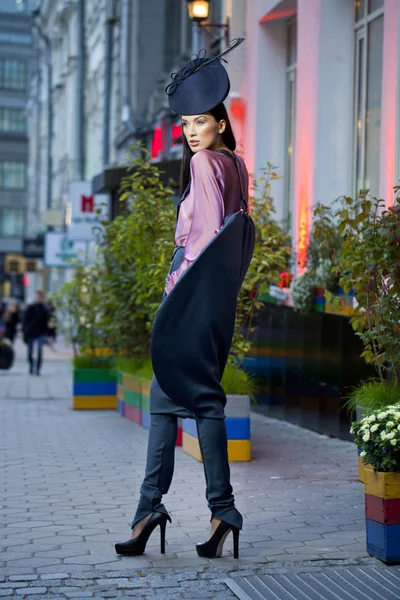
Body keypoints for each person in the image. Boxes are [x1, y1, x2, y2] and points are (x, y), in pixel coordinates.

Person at [114, 38, 255, 560]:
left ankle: (170, 509)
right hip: (215, 297)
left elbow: (213, 232)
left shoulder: (203, 167)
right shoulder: (235, 166)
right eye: (187, 124)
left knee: (199, 401)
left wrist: (181, 291)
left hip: (192, 292)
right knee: (178, 398)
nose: (193, 132)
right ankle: (207, 511)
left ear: (219, 120)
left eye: (202, 121)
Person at [23, 291, 49, 376]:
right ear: (35, 298)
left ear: (42, 298)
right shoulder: (30, 308)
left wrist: (47, 334)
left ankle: (38, 369)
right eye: (37, 297)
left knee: (39, 350)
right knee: (30, 352)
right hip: (31, 332)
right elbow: (25, 320)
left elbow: (46, 322)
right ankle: (31, 365)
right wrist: (24, 331)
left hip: (40, 333)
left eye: (39, 297)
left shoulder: (44, 309)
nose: (38, 299)